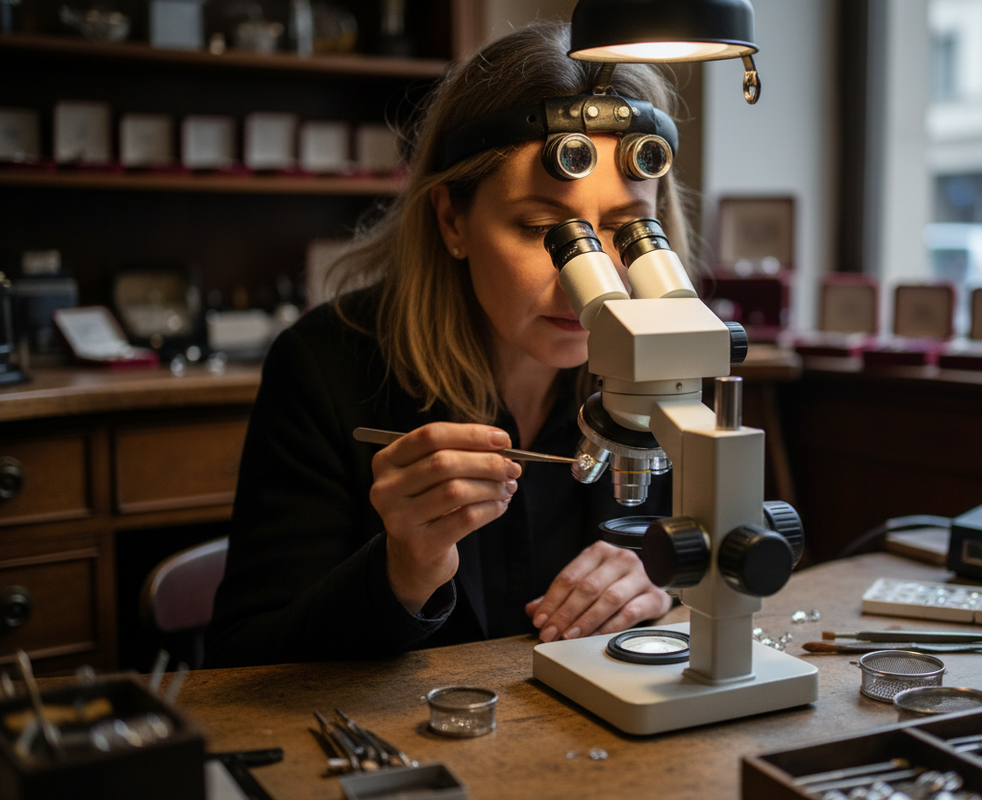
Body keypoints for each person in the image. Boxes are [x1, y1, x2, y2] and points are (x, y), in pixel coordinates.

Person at [204, 20, 699, 667]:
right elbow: (242, 660)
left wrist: (662, 590)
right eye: (544, 229)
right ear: (451, 219)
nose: (591, 281)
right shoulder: (324, 367)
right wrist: (401, 574)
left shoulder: (675, 359)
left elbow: (732, 558)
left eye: (628, 230)